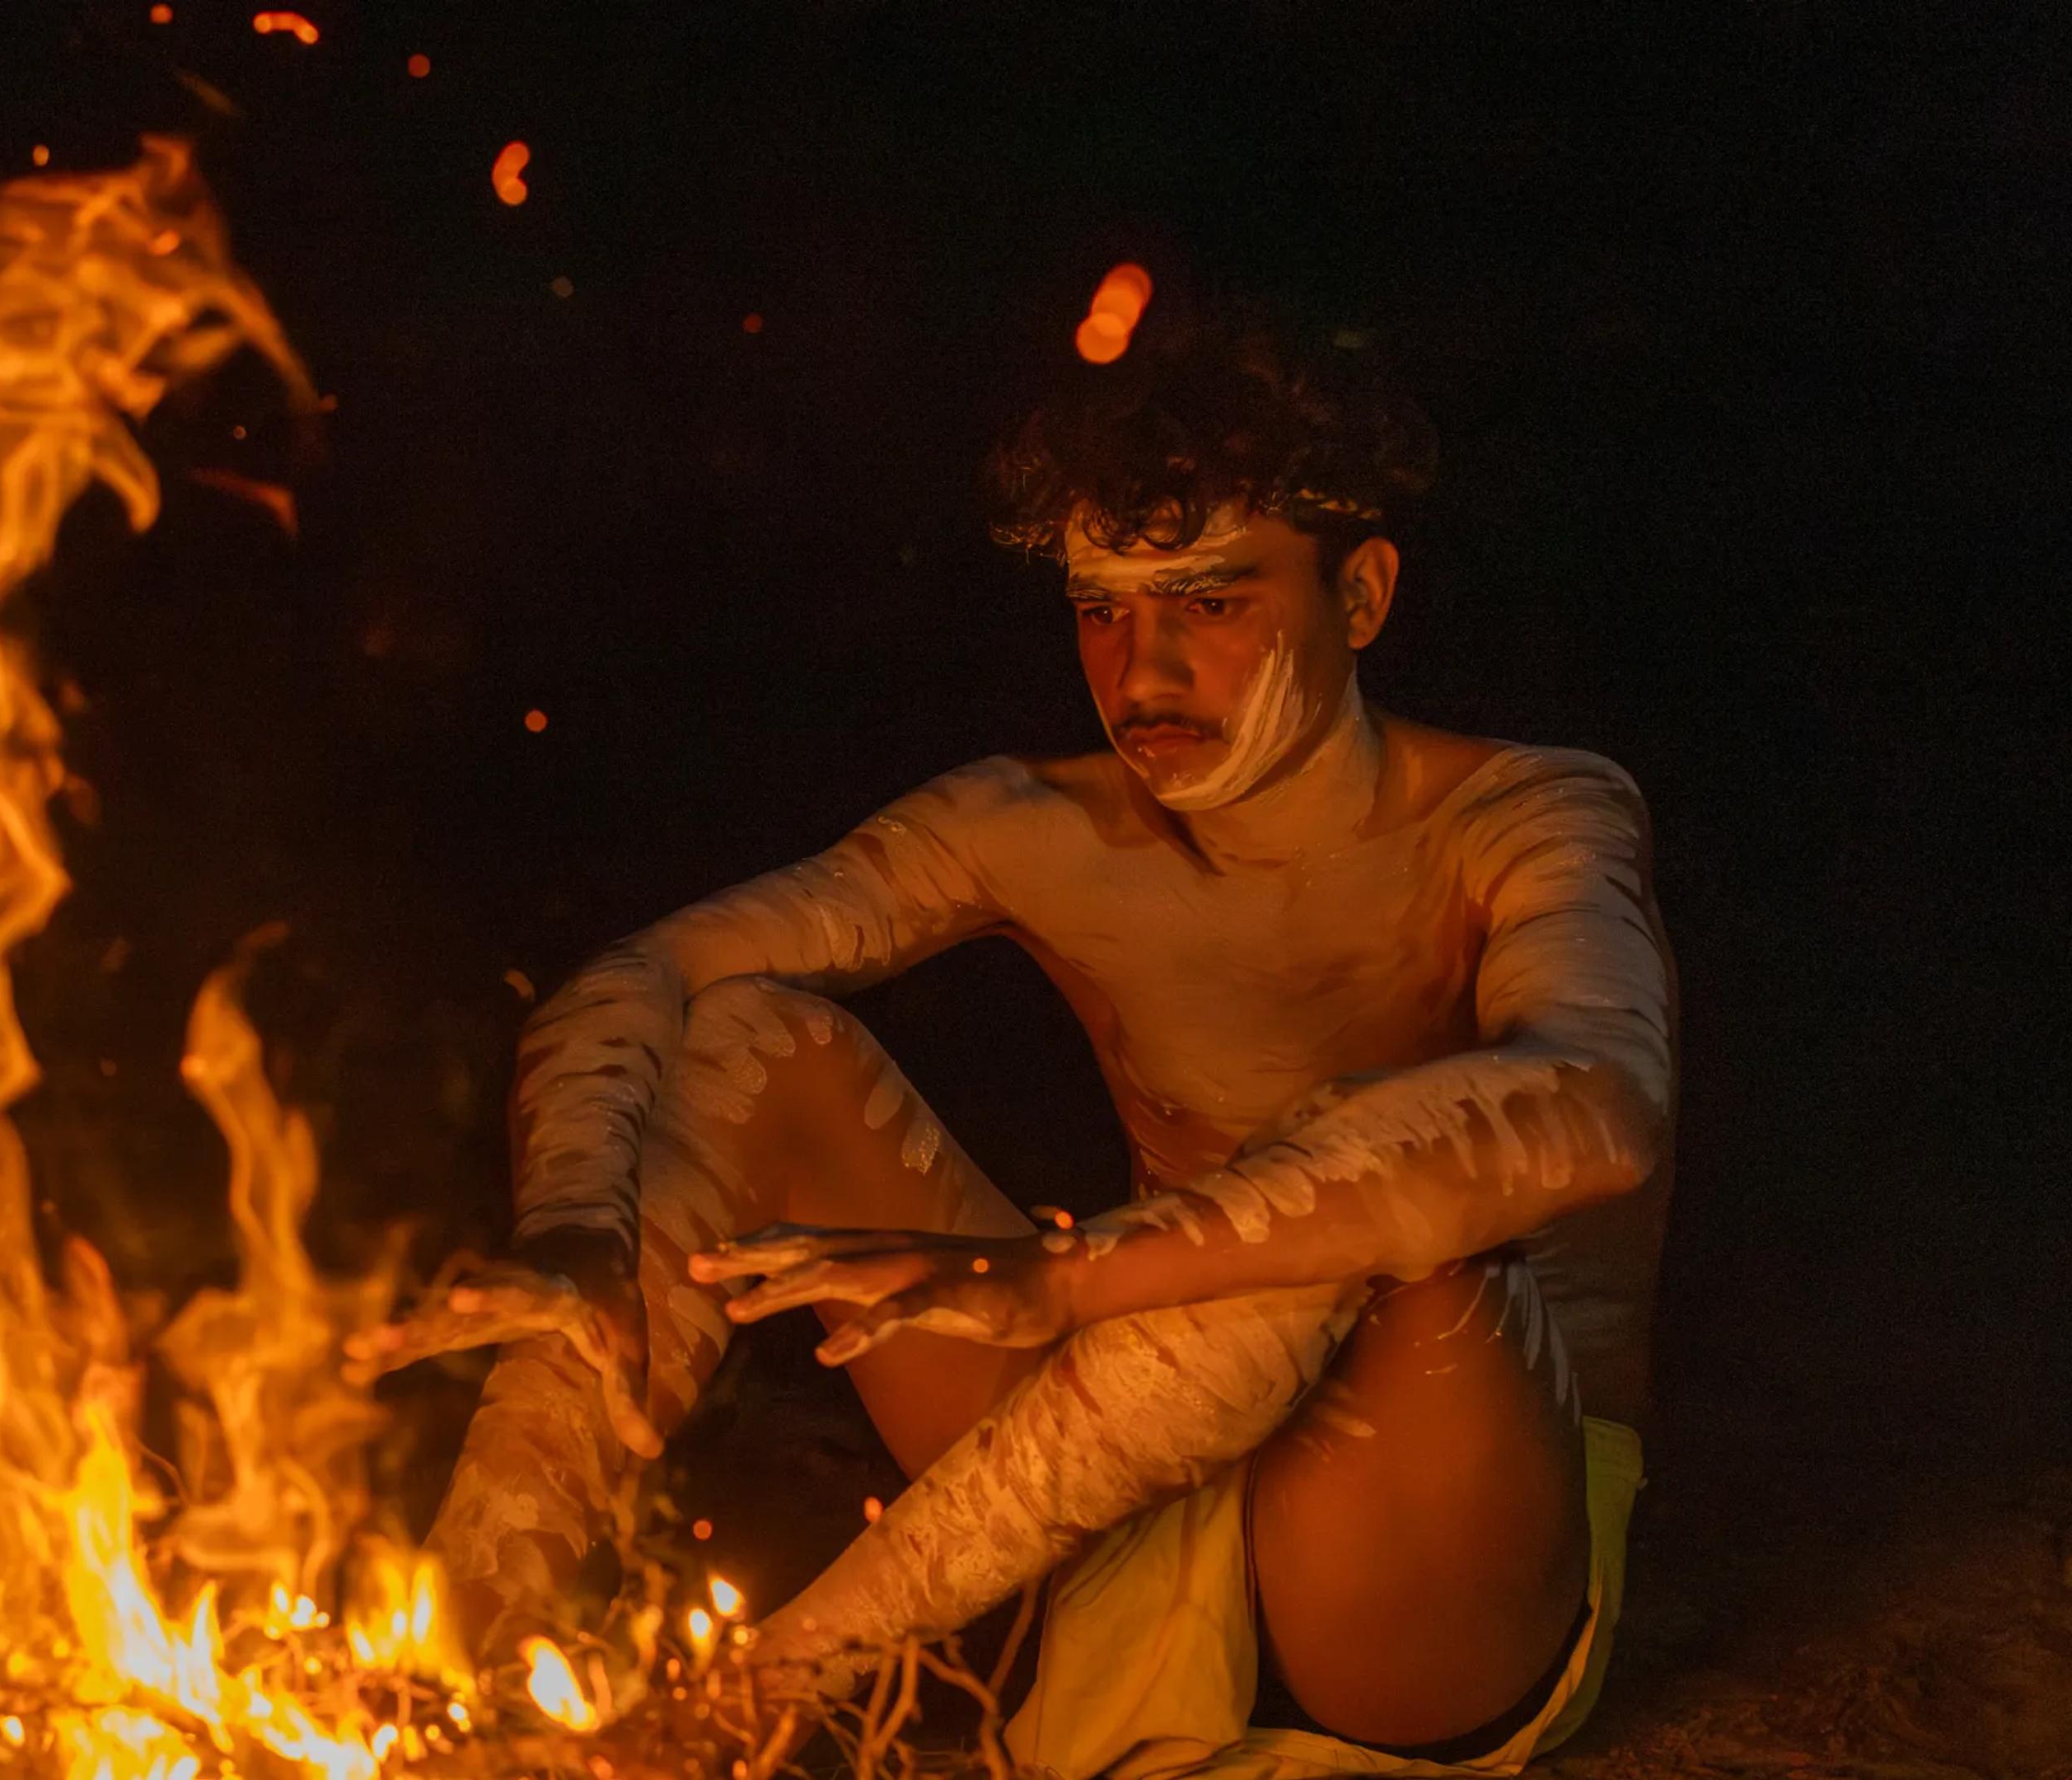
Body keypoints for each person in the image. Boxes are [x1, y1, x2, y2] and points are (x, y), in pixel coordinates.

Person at [355, 300, 1674, 1778]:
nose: (1144, 671)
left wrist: (1061, 1272)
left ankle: (749, 1700)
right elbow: (649, 975)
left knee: (1399, 1193)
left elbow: (1600, 1105)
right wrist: (583, 1212)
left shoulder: (1526, 813)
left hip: (1426, 1567)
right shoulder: (1035, 825)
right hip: (1130, 1470)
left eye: (1212, 602)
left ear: (1360, 596)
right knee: (744, 1033)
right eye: (1102, 609)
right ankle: (449, 1680)